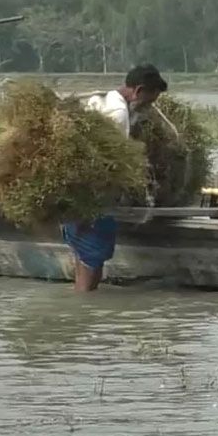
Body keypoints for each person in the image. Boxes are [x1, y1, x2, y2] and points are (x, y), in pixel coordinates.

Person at [61, 64, 169, 292]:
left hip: (74, 193)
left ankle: (85, 307)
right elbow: (111, 163)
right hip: (94, 198)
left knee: (87, 257)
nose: (150, 106)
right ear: (138, 91)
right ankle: (84, 310)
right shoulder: (118, 115)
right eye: (150, 99)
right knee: (92, 258)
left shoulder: (100, 100)